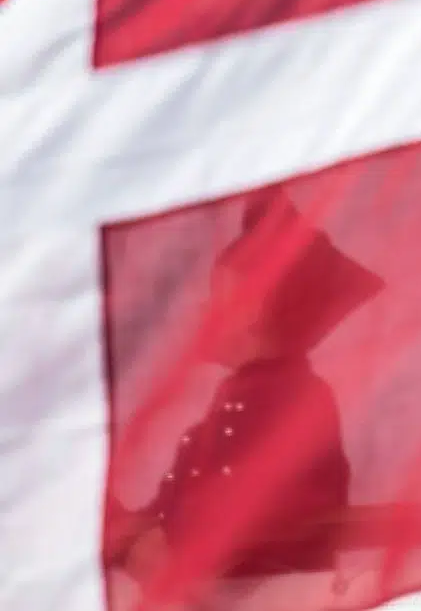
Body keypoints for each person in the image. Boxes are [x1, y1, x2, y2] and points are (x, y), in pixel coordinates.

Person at [104, 190, 379, 609]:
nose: (204, 311)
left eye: (219, 297)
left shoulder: (288, 402)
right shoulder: (249, 396)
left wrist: (139, 545)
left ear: (255, 311)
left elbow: (203, 548)